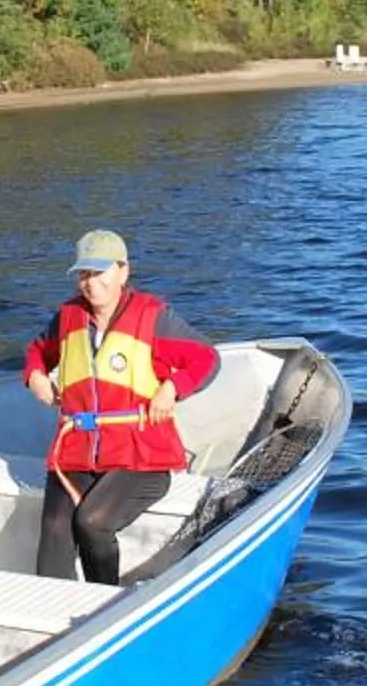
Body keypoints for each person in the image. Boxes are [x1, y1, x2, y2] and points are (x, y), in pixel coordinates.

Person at [24, 229, 220, 584]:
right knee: (54, 529)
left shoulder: (154, 317)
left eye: (99, 273)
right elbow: (38, 350)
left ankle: (103, 605)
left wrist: (172, 388)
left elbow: (207, 358)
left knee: (92, 522)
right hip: (76, 450)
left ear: (123, 271)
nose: (90, 283)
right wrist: (36, 376)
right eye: (83, 274)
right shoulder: (67, 317)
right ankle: (53, 609)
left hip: (140, 456)